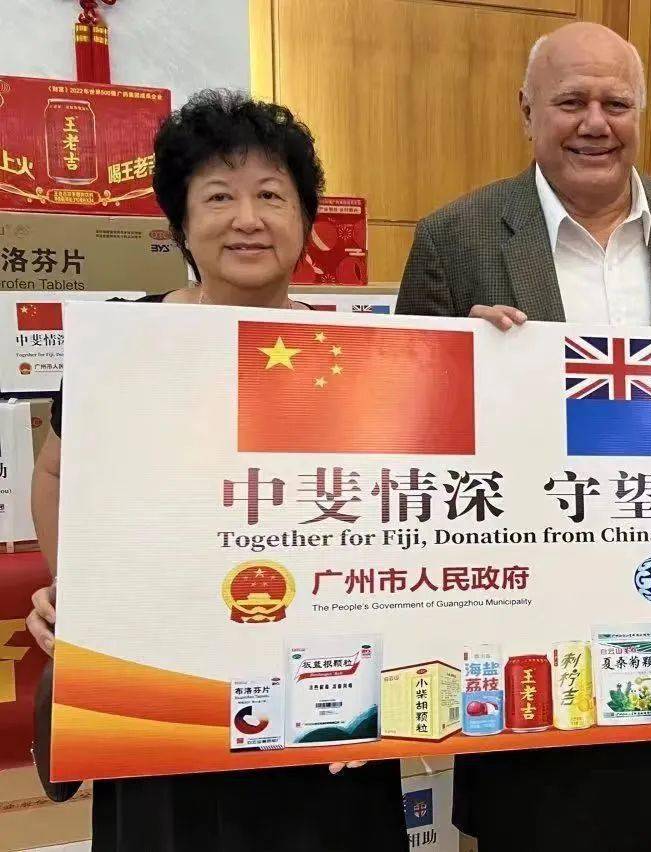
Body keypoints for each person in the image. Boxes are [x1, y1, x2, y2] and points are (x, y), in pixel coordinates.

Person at [25, 90, 408, 852]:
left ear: (304, 220)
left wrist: (499, 354)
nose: (248, 219)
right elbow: (59, 473)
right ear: (181, 222)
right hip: (166, 691)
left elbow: (396, 511)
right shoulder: (126, 343)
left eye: (271, 195)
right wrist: (85, 595)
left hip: (324, 695)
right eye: (220, 197)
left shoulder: (357, 361)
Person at [396, 21, 651, 852]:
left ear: (641, 113)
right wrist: (462, 365)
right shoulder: (454, 237)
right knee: (526, 820)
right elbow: (409, 431)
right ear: (526, 111)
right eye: (571, 101)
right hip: (518, 588)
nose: (595, 123)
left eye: (616, 103)